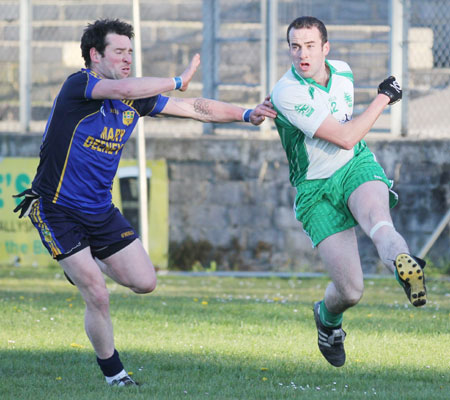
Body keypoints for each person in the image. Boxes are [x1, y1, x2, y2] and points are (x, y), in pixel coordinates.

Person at [12, 18, 276, 386]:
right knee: (97, 293)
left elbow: (196, 109)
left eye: (130, 52)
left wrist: (245, 114)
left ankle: (82, 263)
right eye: (119, 52)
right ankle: (115, 375)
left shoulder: (135, 98)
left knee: (145, 281)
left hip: (100, 211)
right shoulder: (80, 85)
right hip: (56, 207)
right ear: (95, 55)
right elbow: (126, 87)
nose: (127, 59)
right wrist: (177, 79)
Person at [269, 16, 427, 367]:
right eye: (295, 47)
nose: (302, 54)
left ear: (326, 48)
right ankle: (327, 320)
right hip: (315, 191)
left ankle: (406, 266)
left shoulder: (342, 71)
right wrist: (384, 98)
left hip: (354, 165)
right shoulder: (287, 91)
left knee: (379, 222)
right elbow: (344, 135)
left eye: (310, 46)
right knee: (351, 290)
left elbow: (349, 142)